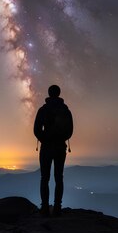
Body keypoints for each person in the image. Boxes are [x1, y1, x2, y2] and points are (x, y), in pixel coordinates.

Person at [34, 84, 73, 216]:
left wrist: (45, 139)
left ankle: (44, 208)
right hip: (60, 147)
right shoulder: (65, 110)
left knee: (44, 178)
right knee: (59, 177)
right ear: (59, 93)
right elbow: (70, 131)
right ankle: (57, 207)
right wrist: (61, 138)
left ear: (49, 93)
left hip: (46, 147)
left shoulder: (43, 110)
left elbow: (36, 129)